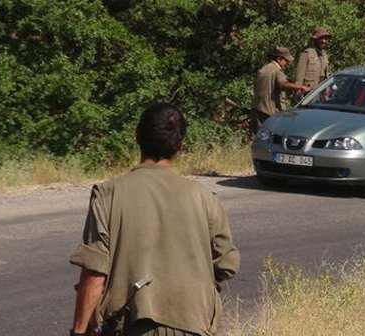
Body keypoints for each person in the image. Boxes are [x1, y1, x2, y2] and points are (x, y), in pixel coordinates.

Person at [69, 103, 240, 336]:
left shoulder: (108, 195)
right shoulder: (204, 198)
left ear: (137, 136)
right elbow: (226, 264)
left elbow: (95, 273)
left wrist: (79, 331)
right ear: (181, 146)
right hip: (192, 324)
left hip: (130, 325)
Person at [251, 46, 311, 135]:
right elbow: (283, 84)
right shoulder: (277, 71)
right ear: (279, 59)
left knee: (259, 137)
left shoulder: (263, 69)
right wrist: (301, 87)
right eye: (285, 61)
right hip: (270, 111)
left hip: (257, 108)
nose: (286, 64)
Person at [294, 27, 332, 100]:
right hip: (308, 94)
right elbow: (299, 77)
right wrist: (297, 95)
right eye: (321, 38)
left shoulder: (325, 55)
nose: (323, 41)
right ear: (315, 39)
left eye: (325, 38)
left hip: (321, 93)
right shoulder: (307, 54)